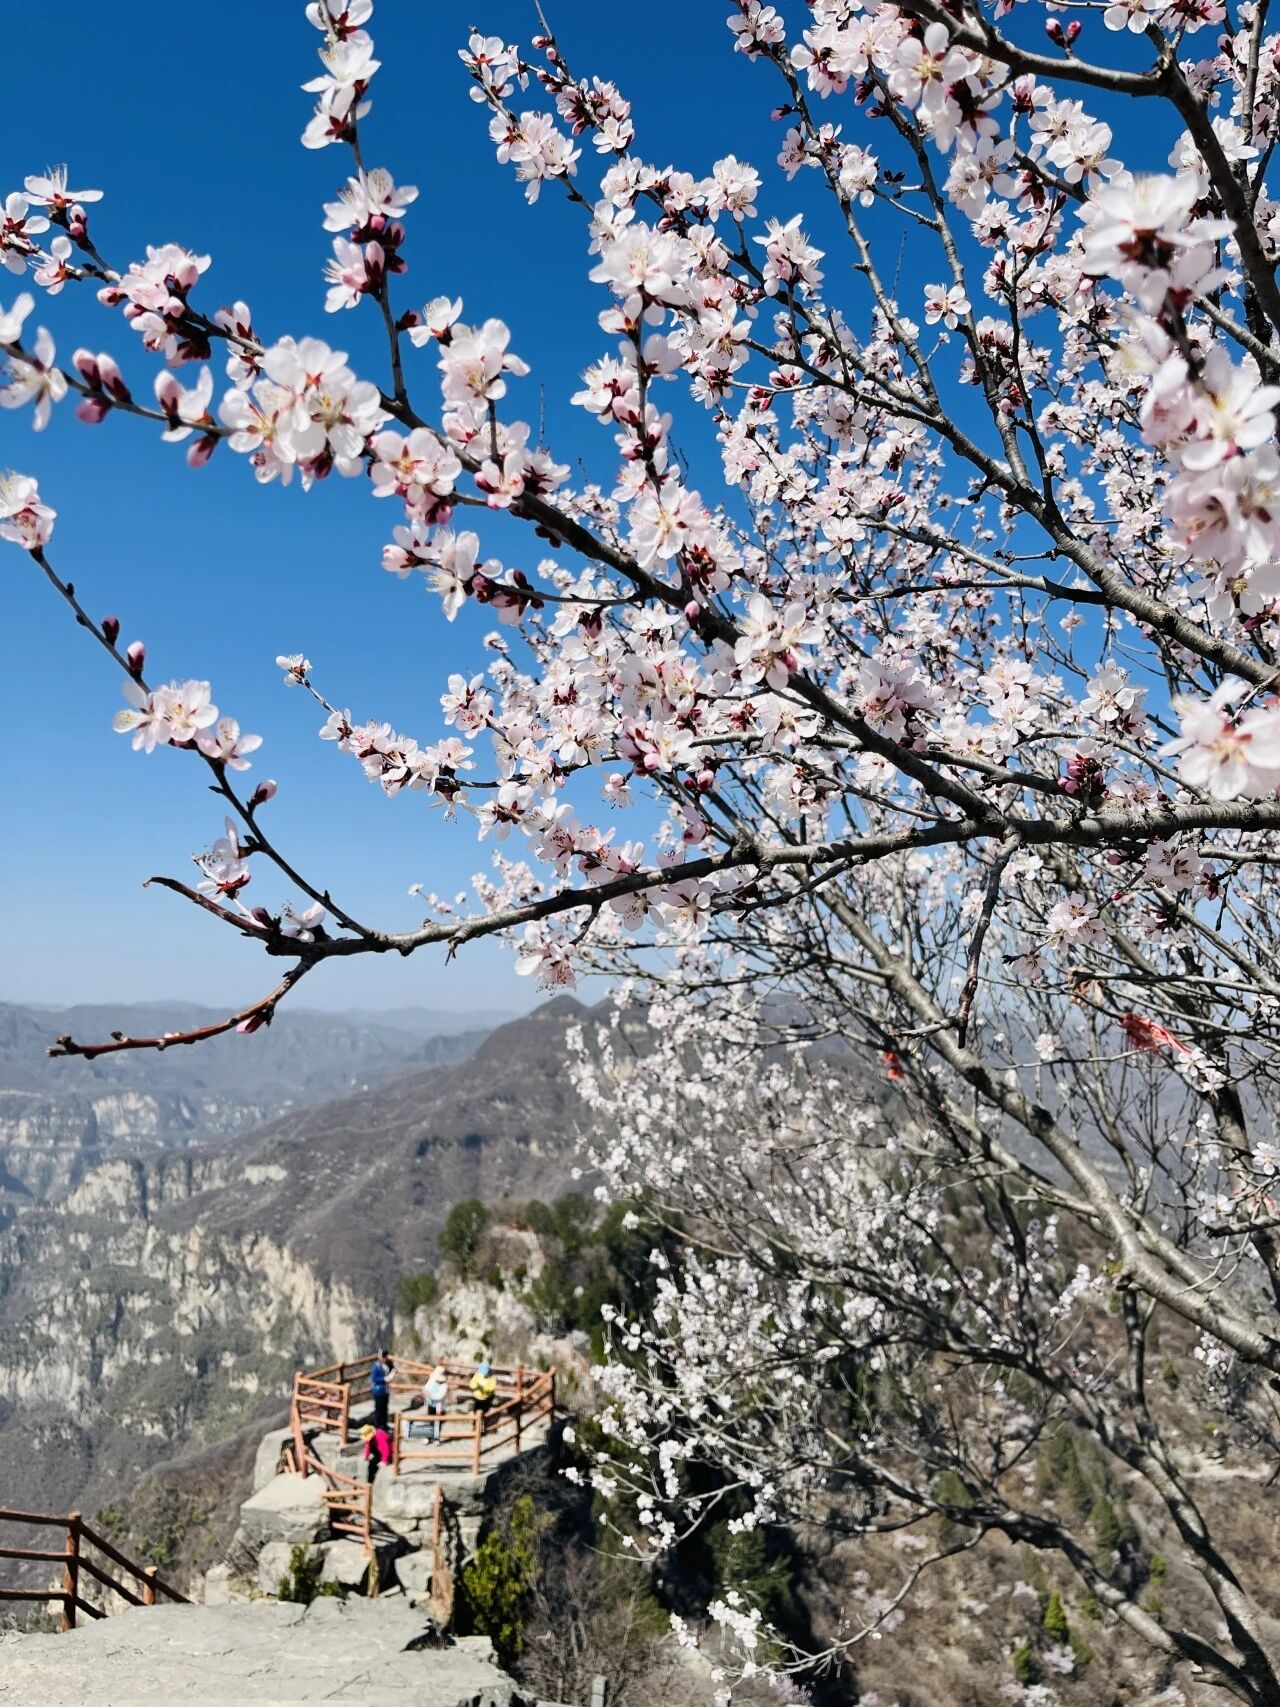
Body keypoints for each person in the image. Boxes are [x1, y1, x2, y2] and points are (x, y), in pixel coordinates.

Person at [369, 1347, 395, 1434]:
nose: (384, 1358)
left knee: (385, 1408)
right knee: (379, 1409)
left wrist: (392, 1372)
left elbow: (393, 1368)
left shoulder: (388, 1364)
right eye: (382, 1356)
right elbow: (374, 1378)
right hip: (378, 1390)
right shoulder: (376, 1366)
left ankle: (384, 1424)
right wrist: (384, 1379)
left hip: (385, 1390)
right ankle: (378, 1426)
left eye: (385, 1356)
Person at [423, 1365, 449, 1443]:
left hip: (439, 1406)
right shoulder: (432, 1380)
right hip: (430, 1404)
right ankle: (428, 1436)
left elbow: (440, 1396)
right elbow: (426, 1388)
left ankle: (436, 1438)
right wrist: (427, 1393)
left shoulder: (444, 1384)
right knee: (429, 1420)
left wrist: (430, 1394)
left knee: (437, 1422)